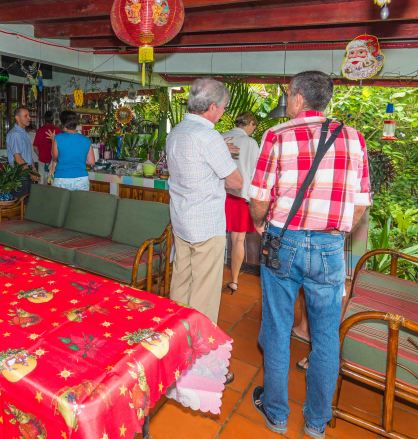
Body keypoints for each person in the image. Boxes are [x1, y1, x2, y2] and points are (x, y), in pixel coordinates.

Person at [248, 71, 371, 438]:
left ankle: (276, 414)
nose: (287, 101)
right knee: (326, 336)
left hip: (283, 240)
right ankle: (316, 423)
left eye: (288, 94)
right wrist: (334, 233)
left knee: (277, 327)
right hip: (329, 246)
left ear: (298, 97)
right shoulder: (353, 137)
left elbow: (259, 198)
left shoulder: (277, 135)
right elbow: (361, 203)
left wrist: (260, 223)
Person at [167, 77, 243, 325]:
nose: (222, 113)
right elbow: (236, 182)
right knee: (204, 291)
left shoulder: (177, 131)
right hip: (206, 225)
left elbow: (193, 165)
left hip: (182, 219)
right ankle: (199, 339)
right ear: (212, 107)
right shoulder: (209, 137)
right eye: (223, 108)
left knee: (181, 281)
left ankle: (175, 330)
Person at [222, 112, 260, 294]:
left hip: (219, 194)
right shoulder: (250, 143)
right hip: (239, 196)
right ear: (250, 123)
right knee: (238, 239)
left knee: (216, 238)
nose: (253, 130)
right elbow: (256, 172)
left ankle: (212, 276)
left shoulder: (220, 137)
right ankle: (234, 280)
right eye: (254, 126)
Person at [51, 112, 95, 191]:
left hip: (62, 178)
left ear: (63, 123)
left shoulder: (58, 138)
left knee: (60, 200)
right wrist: (79, 159)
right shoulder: (86, 140)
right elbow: (91, 162)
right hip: (81, 179)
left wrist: (52, 141)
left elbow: (54, 158)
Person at [6, 106, 37, 196]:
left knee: (27, 200)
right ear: (17, 118)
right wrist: (30, 173)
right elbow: (18, 158)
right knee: (20, 201)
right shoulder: (15, 134)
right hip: (20, 174)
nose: (29, 118)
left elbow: (28, 155)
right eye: (26, 116)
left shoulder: (24, 133)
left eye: (29, 115)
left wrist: (34, 169)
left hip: (26, 171)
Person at [34, 110, 60, 184]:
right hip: (54, 162)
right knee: (53, 183)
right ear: (53, 119)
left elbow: (35, 147)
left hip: (42, 160)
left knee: (41, 183)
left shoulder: (40, 130)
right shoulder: (57, 130)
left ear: (44, 119)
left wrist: (40, 155)